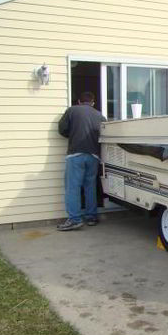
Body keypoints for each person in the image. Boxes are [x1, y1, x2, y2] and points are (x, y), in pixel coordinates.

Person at [57, 91, 106, 231]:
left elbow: (62, 129)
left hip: (75, 155)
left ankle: (74, 219)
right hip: (94, 156)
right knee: (90, 187)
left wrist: (72, 134)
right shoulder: (100, 116)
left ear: (79, 101)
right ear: (93, 103)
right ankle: (91, 217)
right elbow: (105, 135)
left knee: (73, 187)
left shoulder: (72, 110)